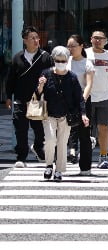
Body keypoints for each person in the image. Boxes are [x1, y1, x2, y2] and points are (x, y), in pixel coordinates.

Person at [36, 46, 87, 181]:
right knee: (50, 140)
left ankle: (59, 169)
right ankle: (48, 165)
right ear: (53, 60)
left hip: (66, 115)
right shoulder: (45, 74)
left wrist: (83, 114)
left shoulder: (72, 77)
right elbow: (37, 94)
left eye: (63, 60)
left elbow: (79, 97)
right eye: (58, 60)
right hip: (49, 114)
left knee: (63, 143)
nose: (61, 63)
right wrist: (40, 86)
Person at [6, 26, 53, 168]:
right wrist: (9, 96)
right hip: (20, 99)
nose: (36, 40)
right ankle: (21, 157)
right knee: (20, 129)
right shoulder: (17, 58)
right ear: (25, 40)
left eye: (37, 37)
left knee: (39, 130)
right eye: (32, 38)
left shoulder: (45, 57)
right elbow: (11, 79)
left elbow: (52, 77)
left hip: (38, 100)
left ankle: (38, 147)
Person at [85, 30, 108, 169]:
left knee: (104, 128)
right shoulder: (84, 53)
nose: (98, 41)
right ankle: (85, 154)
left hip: (106, 97)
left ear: (106, 40)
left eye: (101, 38)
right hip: (87, 97)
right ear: (91, 39)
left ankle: (103, 156)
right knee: (85, 129)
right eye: (95, 38)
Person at [66, 34, 95, 175]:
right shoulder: (65, 62)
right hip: (66, 101)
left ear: (81, 46)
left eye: (73, 46)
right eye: (68, 46)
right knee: (63, 132)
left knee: (84, 135)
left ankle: (85, 167)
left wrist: (82, 100)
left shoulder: (87, 63)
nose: (70, 49)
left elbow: (89, 84)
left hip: (83, 100)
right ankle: (59, 164)